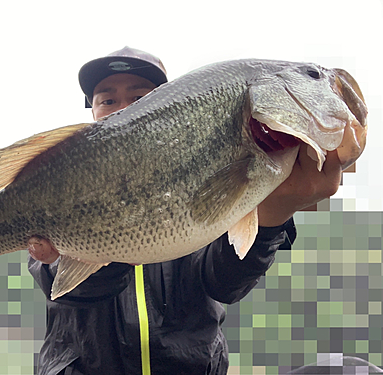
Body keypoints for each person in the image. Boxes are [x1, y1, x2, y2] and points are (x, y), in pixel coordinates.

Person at [27, 47, 343, 375]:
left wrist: (273, 216)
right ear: (92, 112)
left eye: (139, 97)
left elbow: (224, 284)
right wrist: (113, 236)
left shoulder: (205, 177)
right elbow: (64, 287)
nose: (123, 110)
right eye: (107, 101)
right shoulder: (60, 183)